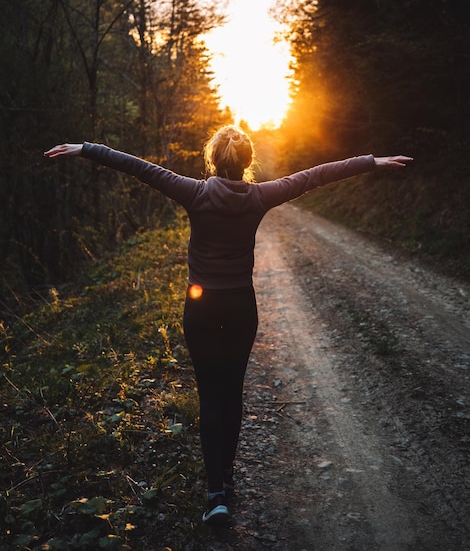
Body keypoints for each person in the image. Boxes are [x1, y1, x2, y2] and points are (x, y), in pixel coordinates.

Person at [45, 126, 413, 524]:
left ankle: (215, 493)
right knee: (232, 393)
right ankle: (228, 478)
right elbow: (315, 175)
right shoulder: (260, 196)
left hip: (200, 306)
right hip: (240, 306)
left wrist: (87, 148)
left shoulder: (194, 192)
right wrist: (371, 162)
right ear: (247, 162)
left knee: (209, 397)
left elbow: (140, 168)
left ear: (213, 159)